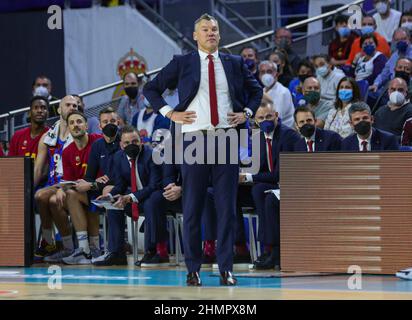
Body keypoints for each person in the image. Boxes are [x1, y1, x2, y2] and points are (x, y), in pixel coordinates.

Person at [143, 13, 263, 286]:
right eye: (205, 29)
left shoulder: (233, 62)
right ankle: (193, 269)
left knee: (226, 208)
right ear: (196, 35)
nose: (211, 33)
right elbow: (151, 88)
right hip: (193, 140)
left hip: (226, 139)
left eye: (215, 29)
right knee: (193, 206)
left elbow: (256, 92)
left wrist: (246, 112)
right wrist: (170, 113)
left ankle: (226, 269)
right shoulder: (182, 62)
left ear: (220, 35)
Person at [239, 101, 300, 270]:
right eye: (261, 117)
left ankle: (274, 250)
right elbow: (261, 167)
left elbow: (280, 174)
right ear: (255, 121)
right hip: (272, 185)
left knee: (266, 197)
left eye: (269, 116)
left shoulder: (289, 136)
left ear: (277, 116)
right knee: (256, 191)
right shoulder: (258, 137)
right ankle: (266, 248)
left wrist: (249, 176)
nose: (265, 120)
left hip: (291, 185)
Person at [99, 126, 162, 266]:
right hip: (133, 198)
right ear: (121, 145)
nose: (131, 145)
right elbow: (120, 185)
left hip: (150, 197)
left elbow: (153, 186)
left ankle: (151, 252)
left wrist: (130, 197)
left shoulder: (152, 155)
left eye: (135, 141)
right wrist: (109, 196)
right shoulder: (118, 157)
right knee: (113, 205)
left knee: (152, 202)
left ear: (141, 141)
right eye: (127, 143)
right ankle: (117, 253)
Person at [48, 111, 102, 264]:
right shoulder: (67, 151)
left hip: (102, 190)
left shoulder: (98, 141)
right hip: (83, 194)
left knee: (75, 197)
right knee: (60, 198)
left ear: (86, 125)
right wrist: (61, 189)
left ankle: (89, 248)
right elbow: (69, 181)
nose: (75, 125)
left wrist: (92, 184)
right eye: (71, 123)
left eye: (79, 121)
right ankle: (81, 248)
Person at [33, 95, 78, 262]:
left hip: (72, 185)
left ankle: (48, 241)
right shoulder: (48, 136)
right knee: (48, 199)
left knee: (40, 195)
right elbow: (38, 169)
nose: (73, 107)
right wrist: (25, 190)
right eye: (68, 104)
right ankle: (66, 247)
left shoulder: (80, 133)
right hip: (54, 185)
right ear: (59, 109)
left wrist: (64, 187)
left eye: (75, 105)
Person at [370, 28, 412, 94]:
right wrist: (376, 84)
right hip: (393, 88)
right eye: (397, 40)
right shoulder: (394, 56)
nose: (401, 42)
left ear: (409, 39)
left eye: (403, 39)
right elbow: (384, 74)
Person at [259, 60, 294, 127]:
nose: (266, 75)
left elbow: (276, 117)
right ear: (259, 75)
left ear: (276, 74)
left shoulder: (283, 92)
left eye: (269, 72)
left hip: (283, 130)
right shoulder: (262, 91)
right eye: (262, 72)